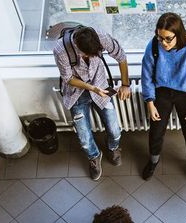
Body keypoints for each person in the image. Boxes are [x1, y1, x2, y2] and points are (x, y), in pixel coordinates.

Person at [53, 26, 131, 181]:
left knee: (115, 129)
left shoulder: (101, 36)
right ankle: (94, 156)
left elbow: (121, 57)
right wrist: (92, 88)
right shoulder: (60, 50)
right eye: (87, 54)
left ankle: (113, 147)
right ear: (77, 45)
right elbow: (68, 78)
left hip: (100, 85)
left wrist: (125, 84)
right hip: (76, 93)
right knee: (84, 137)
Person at [140, 12, 186, 185]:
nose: (163, 43)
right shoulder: (154, 46)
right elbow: (146, 75)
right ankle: (153, 161)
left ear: (179, 34)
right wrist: (150, 103)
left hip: (185, 93)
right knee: (155, 131)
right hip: (161, 92)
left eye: (168, 39)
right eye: (160, 37)